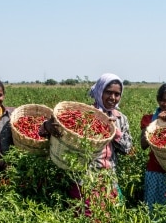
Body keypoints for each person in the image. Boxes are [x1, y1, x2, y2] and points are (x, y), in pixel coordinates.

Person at [42, 73, 133, 204]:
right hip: (85, 178)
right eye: (108, 92)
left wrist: (115, 132)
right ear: (100, 90)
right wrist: (47, 125)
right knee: (89, 218)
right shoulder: (86, 113)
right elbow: (56, 130)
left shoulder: (120, 118)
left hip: (110, 179)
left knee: (111, 218)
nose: (113, 97)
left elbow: (127, 149)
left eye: (117, 94)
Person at [140, 83, 166, 209]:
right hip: (155, 171)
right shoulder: (149, 119)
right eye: (162, 100)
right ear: (158, 100)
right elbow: (143, 144)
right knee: (153, 209)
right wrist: (157, 123)